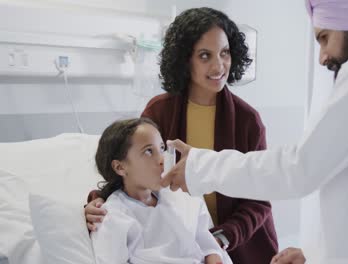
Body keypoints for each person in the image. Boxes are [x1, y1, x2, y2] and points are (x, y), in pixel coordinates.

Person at [161, 0, 348, 264]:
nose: (322, 57)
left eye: (324, 38)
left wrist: (200, 165)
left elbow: (299, 169)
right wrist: (317, 255)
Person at [85, 7, 278, 263]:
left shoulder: (247, 121)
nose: (219, 65)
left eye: (225, 53)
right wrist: (98, 202)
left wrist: (218, 239)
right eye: (205, 56)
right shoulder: (159, 111)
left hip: (237, 245)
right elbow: (133, 166)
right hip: (179, 239)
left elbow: (259, 201)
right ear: (185, 60)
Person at [90, 118, 229, 264]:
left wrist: (214, 256)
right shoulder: (113, 217)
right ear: (120, 167)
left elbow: (205, 241)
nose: (162, 159)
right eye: (149, 151)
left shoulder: (180, 198)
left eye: (161, 148)